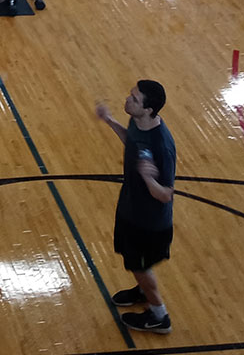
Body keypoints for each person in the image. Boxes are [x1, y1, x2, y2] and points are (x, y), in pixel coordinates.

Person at [95, 80, 176, 334]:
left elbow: (165, 195)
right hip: (130, 209)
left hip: (148, 224)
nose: (128, 101)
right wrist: (109, 120)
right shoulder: (137, 122)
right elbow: (132, 142)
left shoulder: (162, 146)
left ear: (149, 110)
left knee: (139, 266)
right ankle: (142, 290)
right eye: (131, 95)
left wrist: (149, 178)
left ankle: (159, 316)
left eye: (135, 99)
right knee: (134, 263)